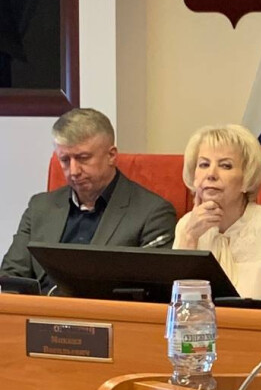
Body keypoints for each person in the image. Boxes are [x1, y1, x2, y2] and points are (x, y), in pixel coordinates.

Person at [1, 108, 177, 290]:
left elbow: (152, 291)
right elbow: (11, 276)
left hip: (104, 307)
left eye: (83, 158)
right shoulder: (40, 207)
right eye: (65, 160)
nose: (74, 171)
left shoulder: (152, 213)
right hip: (40, 306)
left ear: (111, 156)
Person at [174, 124, 261, 311]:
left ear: (246, 177)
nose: (211, 174)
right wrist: (189, 239)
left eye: (225, 165)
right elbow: (174, 311)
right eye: (204, 164)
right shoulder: (186, 226)